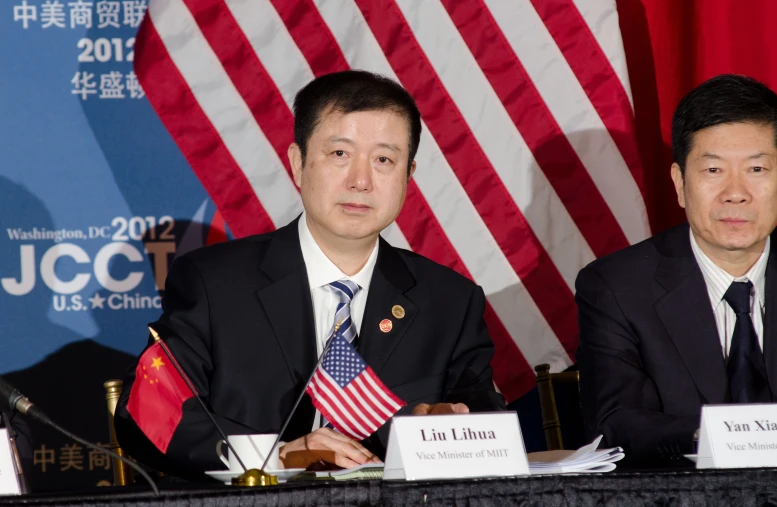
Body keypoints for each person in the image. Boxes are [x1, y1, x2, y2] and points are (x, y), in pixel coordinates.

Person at [114, 70, 504, 480]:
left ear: (408, 176)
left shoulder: (449, 301)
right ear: (298, 164)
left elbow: (480, 413)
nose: (361, 181)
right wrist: (277, 454)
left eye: (384, 160)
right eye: (340, 154)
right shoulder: (214, 284)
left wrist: (454, 424)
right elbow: (150, 414)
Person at [576, 74, 777, 461]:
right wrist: (724, 437)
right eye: (713, 171)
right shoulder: (617, 287)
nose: (736, 193)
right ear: (680, 183)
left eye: (756, 170)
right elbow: (617, 420)